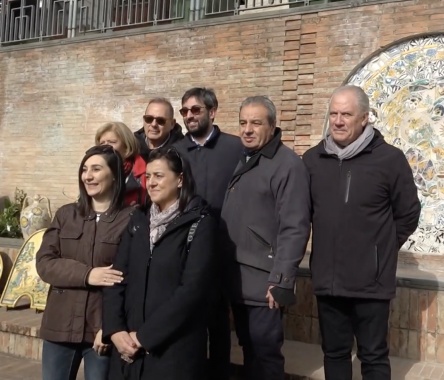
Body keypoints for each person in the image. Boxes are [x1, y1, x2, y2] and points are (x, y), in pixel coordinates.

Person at [302, 85, 421, 380]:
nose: (338, 121)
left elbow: (408, 213)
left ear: (365, 118)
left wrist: (379, 250)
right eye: (333, 114)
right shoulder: (313, 160)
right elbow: (302, 214)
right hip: (328, 280)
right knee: (334, 353)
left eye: (346, 114)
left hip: (371, 282)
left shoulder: (390, 160)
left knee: (373, 357)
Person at [102, 147, 217, 380]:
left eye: (159, 176)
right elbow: (117, 277)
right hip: (128, 354)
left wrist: (145, 337)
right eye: (148, 177)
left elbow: (192, 291)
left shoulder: (200, 224)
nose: (151, 183)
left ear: (180, 179)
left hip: (171, 353)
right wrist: (115, 330)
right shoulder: (138, 222)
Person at [220, 96, 311, 380]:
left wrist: (281, 281)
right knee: (249, 350)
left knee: (265, 354)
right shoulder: (246, 158)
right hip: (237, 277)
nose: (247, 129)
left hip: (264, 284)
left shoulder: (286, 165)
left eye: (256, 123)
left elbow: (295, 226)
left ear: (272, 126)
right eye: (243, 122)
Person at [36, 145, 135, 380]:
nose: (88, 176)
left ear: (114, 175)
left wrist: (111, 326)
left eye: (96, 169)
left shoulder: (130, 218)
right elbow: (45, 263)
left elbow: (133, 279)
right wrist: (87, 274)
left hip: (100, 332)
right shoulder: (66, 215)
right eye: (84, 169)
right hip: (59, 326)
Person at [173, 87, 243, 380]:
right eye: (185, 111)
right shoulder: (175, 151)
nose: (189, 115)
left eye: (196, 110)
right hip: (183, 251)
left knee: (218, 323)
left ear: (212, 112)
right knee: (188, 321)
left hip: (225, 250)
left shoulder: (235, 148)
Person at [96, 122, 147, 207]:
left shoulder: (146, 174)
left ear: (126, 145)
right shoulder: (94, 174)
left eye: (111, 142)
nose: (105, 147)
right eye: (102, 143)